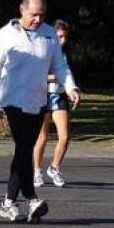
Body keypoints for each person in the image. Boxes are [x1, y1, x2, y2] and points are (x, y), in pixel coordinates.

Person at [0, 0, 81, 224]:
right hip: (12, 101)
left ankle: (8, 202)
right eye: (34, 15)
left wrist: (71, 87)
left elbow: (60, 65)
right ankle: (32, 197)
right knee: (25, 148)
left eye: (42, 15)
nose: (38, 19)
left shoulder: (49, 34)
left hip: (38, 102)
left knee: (23, 152)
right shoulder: (5, 35)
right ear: (22, 9)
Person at [33, 19, 73, 188]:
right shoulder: (43, 52)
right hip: (43, 96)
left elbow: (68, 75)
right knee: (42, 137)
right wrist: (54, 76)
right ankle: (36, 171)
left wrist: (73, 89)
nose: (62, 41)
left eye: (65, 37)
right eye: (59, 37)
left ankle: (54, 167)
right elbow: (37, 74)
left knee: (64, 136)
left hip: (59, 96)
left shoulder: (65, 54)